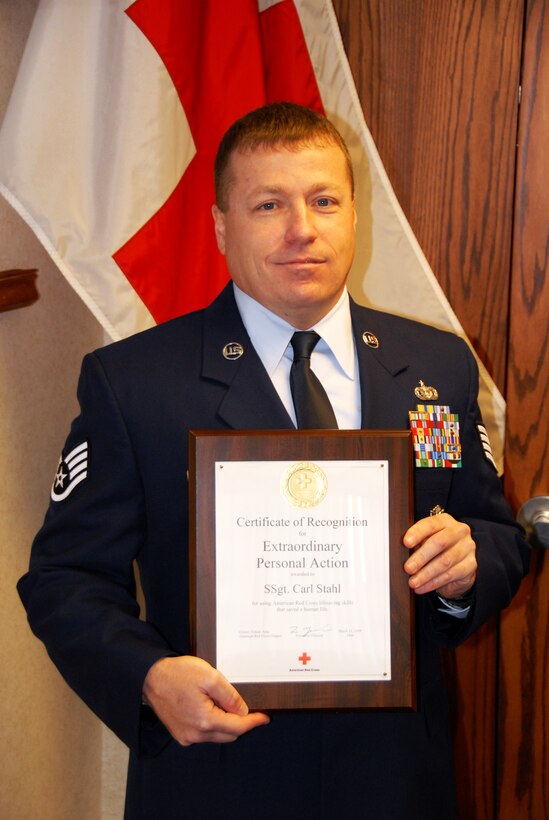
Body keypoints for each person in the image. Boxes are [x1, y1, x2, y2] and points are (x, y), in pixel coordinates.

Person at [18, 102, 529, 819]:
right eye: (268, 205)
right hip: (217, 776)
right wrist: (147, 676)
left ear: (354, 214)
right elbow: (65, 578)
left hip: (394, 778)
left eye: (324, 200)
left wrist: (467, 563)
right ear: (223, 227)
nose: (302, 230)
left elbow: (491, 529)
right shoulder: (135, 384)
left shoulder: (433, 371)